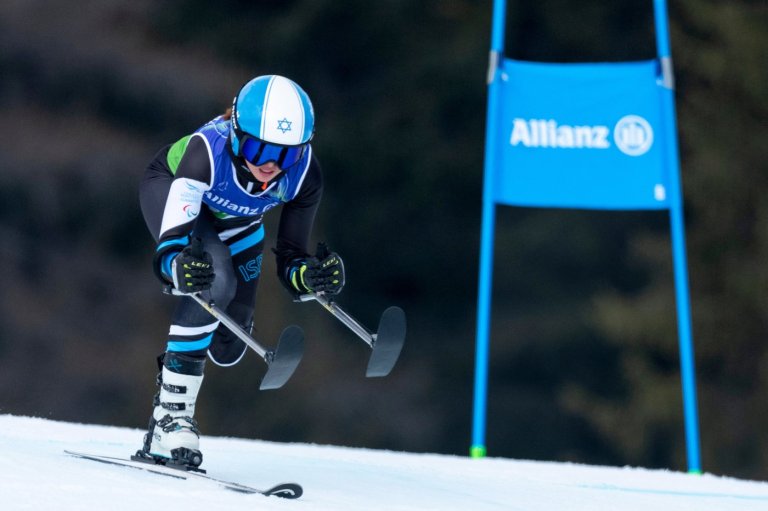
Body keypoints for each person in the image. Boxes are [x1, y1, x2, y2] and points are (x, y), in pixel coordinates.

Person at [135, 75, 345, 469]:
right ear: (235, 136)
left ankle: (174, 400)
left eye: (284, 155)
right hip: (175, 190)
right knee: (213, 278)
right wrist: (177, 267)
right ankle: (170, 418)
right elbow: (170, 252)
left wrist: (311, 278)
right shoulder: (205, 152)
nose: (269, 165)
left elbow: (291, 258)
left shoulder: (305, 174)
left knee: (230, 344)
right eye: (257, 149)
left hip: (238, 221)